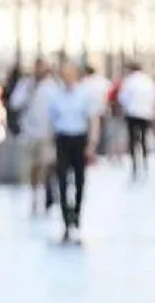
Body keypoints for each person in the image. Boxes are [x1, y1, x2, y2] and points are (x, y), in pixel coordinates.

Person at [48, 60, 98, 243]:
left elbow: (93, 119)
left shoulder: (84, 94)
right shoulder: (56, 96)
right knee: (61, 181)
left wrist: (91, 144)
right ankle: (66, 219)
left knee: (79, 181)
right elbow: (51, 121)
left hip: (79, 139)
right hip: (62, 140)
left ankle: (76, 214)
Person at [9, 59, 58, 215]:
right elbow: (15, 103)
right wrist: (29, 90)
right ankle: (35, 196)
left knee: (45, 164)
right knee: (33, 166)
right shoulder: (25, 85)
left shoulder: (52, 87)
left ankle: (46, 194)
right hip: (29, 132)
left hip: (46, 133)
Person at [118, 61, 154, 177]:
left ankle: (134, 165)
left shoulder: (129, 81)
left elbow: (122, 98)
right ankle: (144, 162)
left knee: (132, 139)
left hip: (132, 113)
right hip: (146, 113)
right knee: (143, 138)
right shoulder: (148, 80)